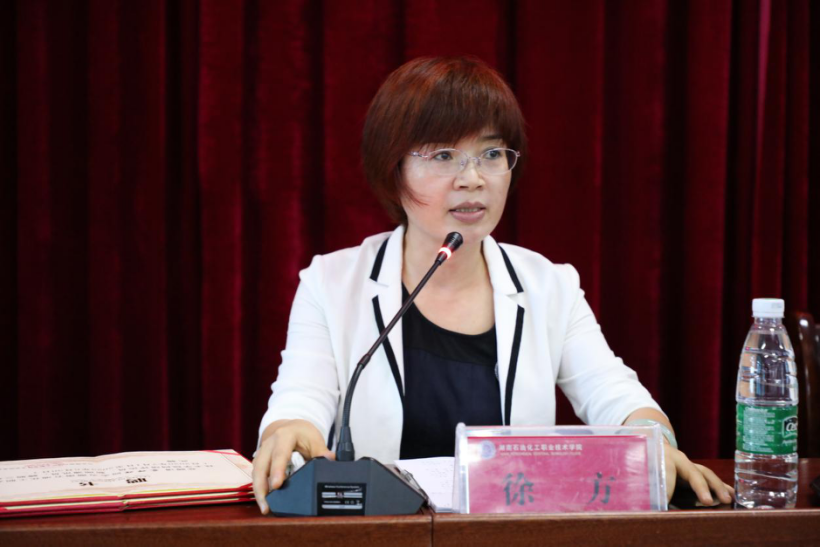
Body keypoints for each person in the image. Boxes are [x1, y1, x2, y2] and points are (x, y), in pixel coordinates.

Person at [252, 56, 733, 514]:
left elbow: (614, 392)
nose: (473, 178)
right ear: (394, 170)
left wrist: (653, 439)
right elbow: (300, 398)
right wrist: (289, 430)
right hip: (381, 535)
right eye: (444, 155)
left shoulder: (550, 286)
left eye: (491, 154)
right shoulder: (333, 284)